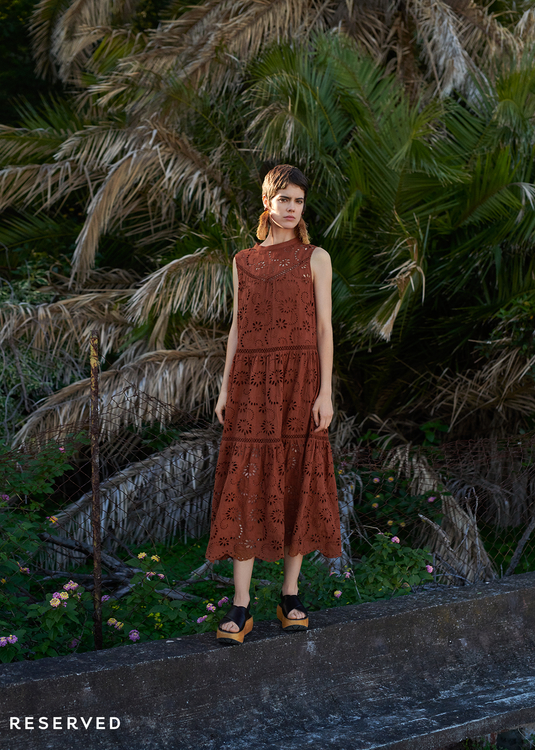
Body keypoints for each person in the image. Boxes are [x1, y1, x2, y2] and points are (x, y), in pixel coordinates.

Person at [205, 164, 341, 645]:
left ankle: (290, 595)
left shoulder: (315, 257)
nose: (291, 208)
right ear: (267, 202)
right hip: (251, 384)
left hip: (301, 382)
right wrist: (225, 388)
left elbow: (324, 328)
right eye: (284, 199)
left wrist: (325, 392)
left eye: (299, 201)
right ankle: (241, 606)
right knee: (246, 480)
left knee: (297, 474)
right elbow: (236, 327)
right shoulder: (243, 260)